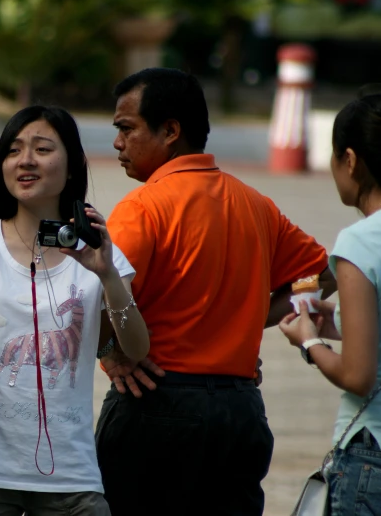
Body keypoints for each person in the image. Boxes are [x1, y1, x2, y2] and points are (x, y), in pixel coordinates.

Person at [95, 67, 337, 516]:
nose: (117, 143)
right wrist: (250, 315)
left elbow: (96, 302)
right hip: (239, 410)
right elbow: (322, 275)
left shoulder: (142, 207)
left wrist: (110, 353)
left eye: (126, 129)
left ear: (170, 131)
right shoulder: (254, 204)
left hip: (156, 403)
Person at [0, 105, 150, 515]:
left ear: (74, 164)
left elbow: (134, 347)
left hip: (72, 480)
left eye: (42, 149)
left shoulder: (99, 254)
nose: (25, 160)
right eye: (13, 150)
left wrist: (109, 276)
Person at [279, 94, 381, 515]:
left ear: (350, 159)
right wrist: (342, 320)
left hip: (376, 455)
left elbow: (358, 376)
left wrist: (309, 341)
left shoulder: (361, 240)